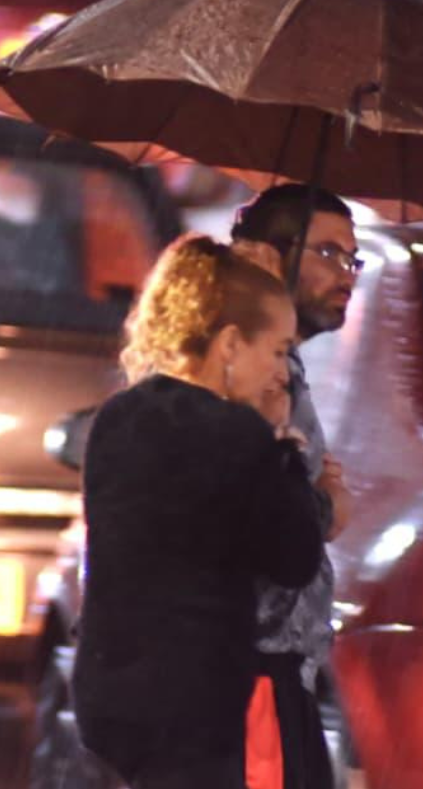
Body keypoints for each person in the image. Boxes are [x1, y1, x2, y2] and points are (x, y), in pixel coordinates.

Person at [73, 235, 326, 789]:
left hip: (109, 689)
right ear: (231, 344)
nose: (280, 369)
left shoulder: (119, 415)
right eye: (278, 349)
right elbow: (294, 560)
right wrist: (286, 454)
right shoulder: (239, 435)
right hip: (193, 699)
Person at [229, 184, 360, 789]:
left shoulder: (288, 370)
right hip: (252, 673)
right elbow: (270, 532)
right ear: (271, 256)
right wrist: (319, 506)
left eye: (352, 260)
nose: (347, 275)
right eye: (329, 255)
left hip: (285, 671)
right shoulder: (246, 375)